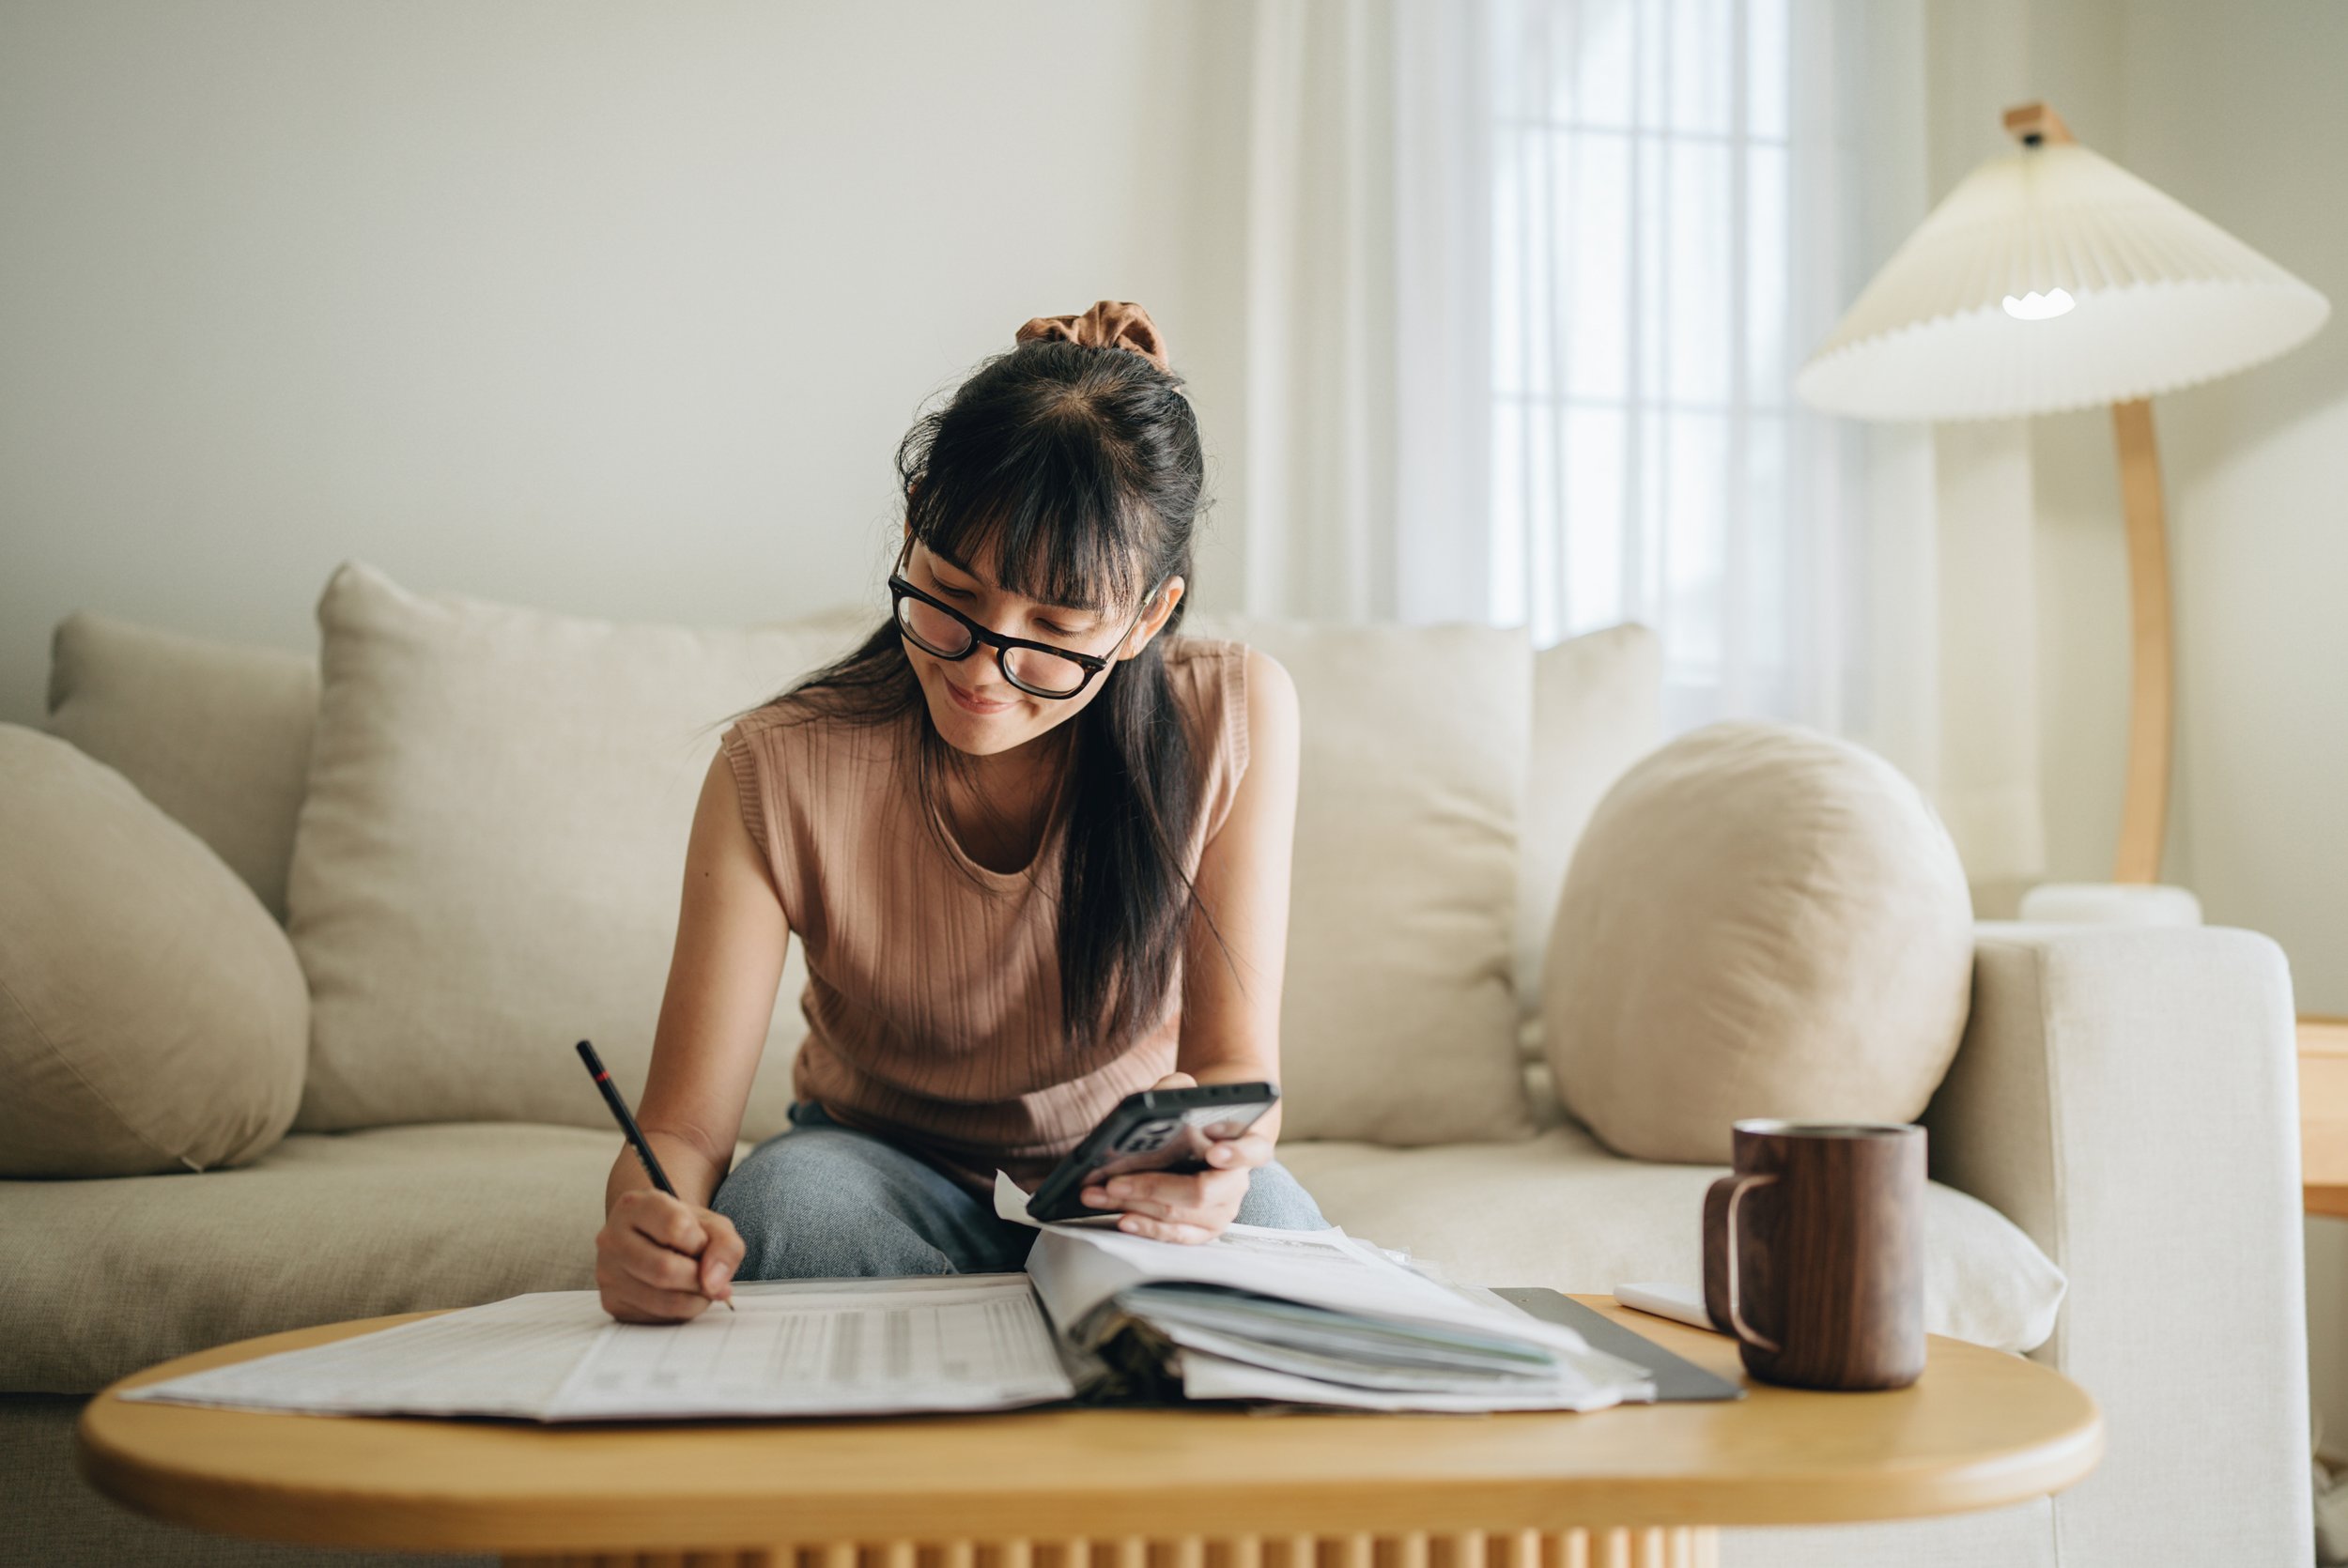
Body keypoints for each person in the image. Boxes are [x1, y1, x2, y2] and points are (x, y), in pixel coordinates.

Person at [593, 300, 1327, 1325]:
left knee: (1283, 1245)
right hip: (876, 1164)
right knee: (785, 1212)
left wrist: (1219, 1164)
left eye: (1055, 629)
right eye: (948, 594)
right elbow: (680, 1127)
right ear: (912, 519)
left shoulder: (1231, 713)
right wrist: (646, 1212)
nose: (985, 669)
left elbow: (1235, 1069)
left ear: (1146, 618)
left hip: (1121, 1175)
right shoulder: (778, 766)